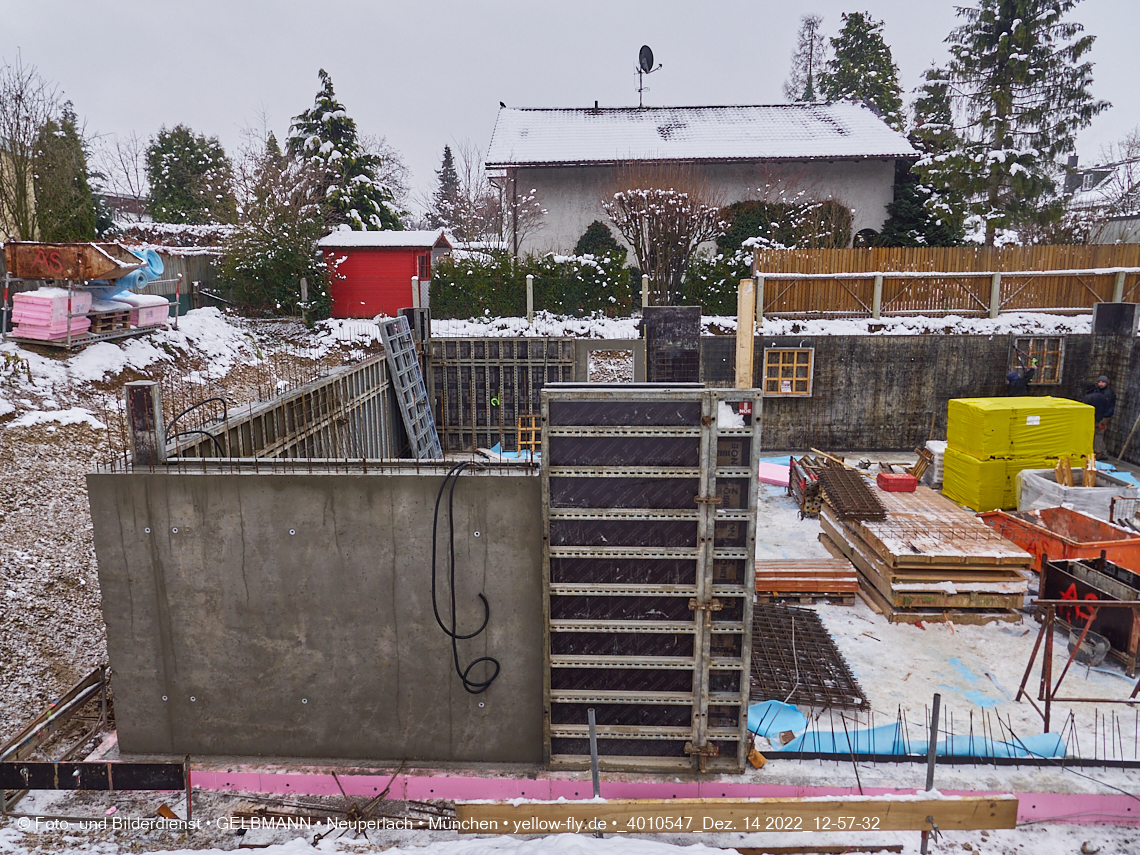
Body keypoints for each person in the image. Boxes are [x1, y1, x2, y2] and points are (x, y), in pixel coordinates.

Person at [1082, 375, 1116, 457]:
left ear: (1106, 383)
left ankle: (1100, 453)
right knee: (1099, 434)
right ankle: (1103, 453)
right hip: (1102, 415)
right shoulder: (1101, 392)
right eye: (1099, 382)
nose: (1100, 384)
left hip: (1104, 416)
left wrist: (1103, 419)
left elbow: (1106, 407)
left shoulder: (1107, 393)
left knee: (1098, 434)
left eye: (1103, 382)